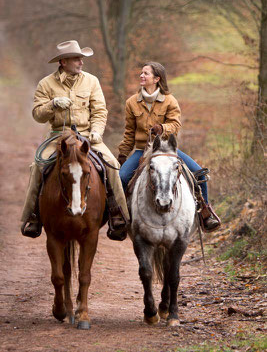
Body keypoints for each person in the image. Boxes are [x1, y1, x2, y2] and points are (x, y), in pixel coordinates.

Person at [21, 40, 129, 241]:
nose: (81, 62)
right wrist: (52, 104)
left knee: (112, 165)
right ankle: (33, 215)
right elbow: (37, 115)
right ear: (63, 62)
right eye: (76, 59)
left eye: (81, 58)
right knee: (37, 166)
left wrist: (97, 131)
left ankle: (118, 214)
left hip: (88, 136)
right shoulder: (46, 84)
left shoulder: (91, 81)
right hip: (57, 138)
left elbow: (99, 111)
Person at [118, 61, 221, 232]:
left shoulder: (169, 101)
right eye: (141, 73)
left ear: (157, 78)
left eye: (146, 73)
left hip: (166, 150)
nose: (141, 76)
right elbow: (129, 131)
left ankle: (205, 212)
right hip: (141, 150)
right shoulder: (131, 102)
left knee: (199, 174)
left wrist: (163, 128)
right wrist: (123, 153)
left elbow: (175, 125)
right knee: (121, 178)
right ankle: (120, 217)